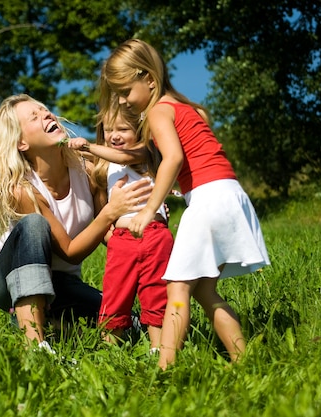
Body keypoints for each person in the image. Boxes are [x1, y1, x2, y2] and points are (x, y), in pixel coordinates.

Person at [99, 39, 271, 369]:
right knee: (205, 291)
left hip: (207, 200)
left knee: (176, 288)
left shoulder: (160, 111)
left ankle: (165, 368)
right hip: (230, 194)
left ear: (149, 78)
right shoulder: (186, 107)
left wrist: (150, 209)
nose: (123, 101)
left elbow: (174, 158)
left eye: (125, 91)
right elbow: (195, 156)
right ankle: (243, 360)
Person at [0, 94, 152, 353]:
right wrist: (109, 213)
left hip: (62, 284)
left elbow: (108, 232)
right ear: (21, 143)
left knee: (130, 323)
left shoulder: (88, 171)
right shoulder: (22, 190)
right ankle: (36, 346)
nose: (46, 115)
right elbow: (70, 252)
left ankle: (54, 323)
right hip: (5, 279)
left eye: (45, 110)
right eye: (34, 117)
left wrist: (147, 225)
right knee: (35, 224)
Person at [68, 102, 172, 351]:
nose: (114, 135)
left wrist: (88, 146)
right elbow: (100, 161)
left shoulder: (144, 152)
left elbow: (122, 155)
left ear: (139, 131)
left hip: (155, 236)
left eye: (123, 129)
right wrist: (69, 147)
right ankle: (111, 350)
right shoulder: (106, 163)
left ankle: (159, 350)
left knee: (155, 291)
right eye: (108, 129)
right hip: (123, 239)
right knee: (115, 293)